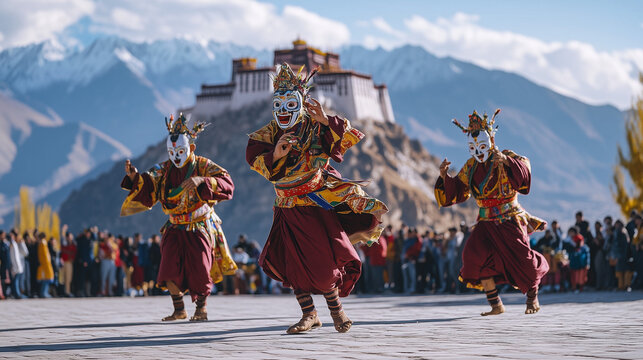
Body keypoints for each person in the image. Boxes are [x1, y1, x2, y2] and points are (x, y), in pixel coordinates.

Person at [245, 63, 388, 334]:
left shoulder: (314, 126)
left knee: (323, 266)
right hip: (286, 207)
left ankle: (337, 311)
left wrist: (325, 121)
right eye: (279, 105)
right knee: (293, 264)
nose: (284, 111)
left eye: (290, 104)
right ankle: (309, 314)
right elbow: (256, 160)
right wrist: (276, 154)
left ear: (300, 103)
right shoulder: (266, 135)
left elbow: (345, 137)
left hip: (316, 204)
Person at [120, 113, 237, 321]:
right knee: (168, 267)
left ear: (191, 149)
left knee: (200, 269)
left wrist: (202, 181)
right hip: (174, 225)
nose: (175, 156)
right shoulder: (165, 169)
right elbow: (149, 181)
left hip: (199, 225)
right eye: (171, 151)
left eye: (181, 151)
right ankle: (179, 309)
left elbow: (226, 181)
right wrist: (134, 178)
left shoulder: (202, 165)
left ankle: (201, 308)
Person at [435, 109, 548, 315]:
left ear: (492, 140)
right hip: (486, 221)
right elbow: (459, 191)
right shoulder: (470, 166)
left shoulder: (507, 157)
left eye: (482, 146)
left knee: (524, 260)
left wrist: (506, 161)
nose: (478, 152)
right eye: (472, 147)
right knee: (474, 257)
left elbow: (524, 172)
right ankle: (496, 304)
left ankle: (532, 298)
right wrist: (445, 177)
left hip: (509, 217)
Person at [610, 220, 633, 291]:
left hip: (621, 254)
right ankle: (622, 286)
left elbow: (621, 245)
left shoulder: (621, 232)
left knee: (622, 271)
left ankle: (623, 286)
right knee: (621, 271)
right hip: (623, 254)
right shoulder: (622, 231)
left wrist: (617, 255)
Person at [568, 227, 590, 293]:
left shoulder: (579, 239)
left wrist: (587, 263)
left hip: (580, 261)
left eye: (572, 232)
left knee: (580, 276)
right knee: (574, 275)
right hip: (574, 261)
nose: (570, 234)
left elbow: (580, 249)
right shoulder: (570, 239)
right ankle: (574, 288)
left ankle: (580, 288)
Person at [36, 232, 54, 298]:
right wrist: (48, 262)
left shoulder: (41, 243)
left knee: (45, 279)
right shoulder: (43, 243)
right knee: (46, 279)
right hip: (45, 264)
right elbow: (45, 254)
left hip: (44, 263)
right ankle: (43, 293)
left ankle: (44, 292)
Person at [60, 230, 76, 297]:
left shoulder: (73, 244)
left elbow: (74, 253)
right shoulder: (64, 243)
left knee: (68, 278)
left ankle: (67, 292)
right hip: (63, 263)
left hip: (69, 263)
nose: (70, 238)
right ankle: (61, 292)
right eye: (69, 237)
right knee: (61, 279)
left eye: (71, 237)